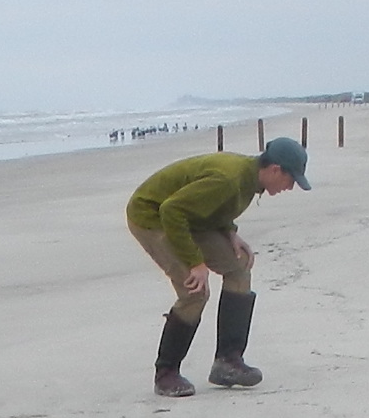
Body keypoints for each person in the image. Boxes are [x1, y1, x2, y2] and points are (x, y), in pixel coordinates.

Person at [125, 136, 309, 398]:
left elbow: (214, 207)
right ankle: (166, 374)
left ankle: (228, 361)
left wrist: (230, 232)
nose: (290, 188)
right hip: (152, 216)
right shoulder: (229, 179)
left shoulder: (249, 180)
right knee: (195, 291)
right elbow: (172, 210)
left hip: (187, 219)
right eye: (291, 180)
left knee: (239, 267)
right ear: (275, 169)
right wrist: (195, 263)